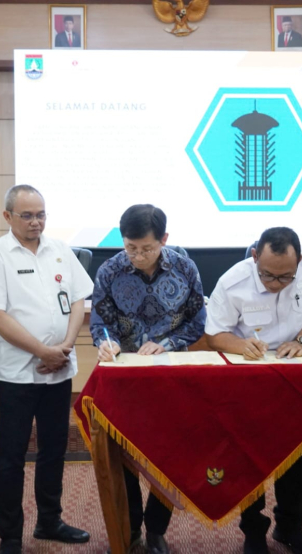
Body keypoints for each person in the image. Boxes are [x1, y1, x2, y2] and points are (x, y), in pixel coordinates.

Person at [205, 226, 302, 554]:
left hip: (294, 374)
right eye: (268, 276)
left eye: (286, 278)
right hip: (249, 378)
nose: (276, 284)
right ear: (254, 258)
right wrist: (240, 345)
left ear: (299, 262)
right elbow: (214, 334)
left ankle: (289, 527)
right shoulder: (232, 282)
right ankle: (253, 532)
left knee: (294, 458)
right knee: (249, 460)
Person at [0, 184, 93, 554]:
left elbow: (77, 300)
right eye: (27, 215)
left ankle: (49, 520)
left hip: (58, 370)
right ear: (7, 216)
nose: (36, 222)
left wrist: (65, 347)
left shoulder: (59, 249)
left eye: (41, 214)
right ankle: (10, 535)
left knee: (54, 448)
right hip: (19, 374)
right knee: (11, 456)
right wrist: (43, 349)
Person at [91, 204, 206, 554]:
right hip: (126, 379)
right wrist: (105, 342)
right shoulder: (111, 270)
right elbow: (100, 320)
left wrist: (168, 342)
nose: (137, 256)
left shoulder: (185, 268)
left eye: (146, 248)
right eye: (130, 247)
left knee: (168, 454)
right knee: (122, 453)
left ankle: (157, 531)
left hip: (170, 375)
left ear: (164, 240)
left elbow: (197, 321)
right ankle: (131, 530)